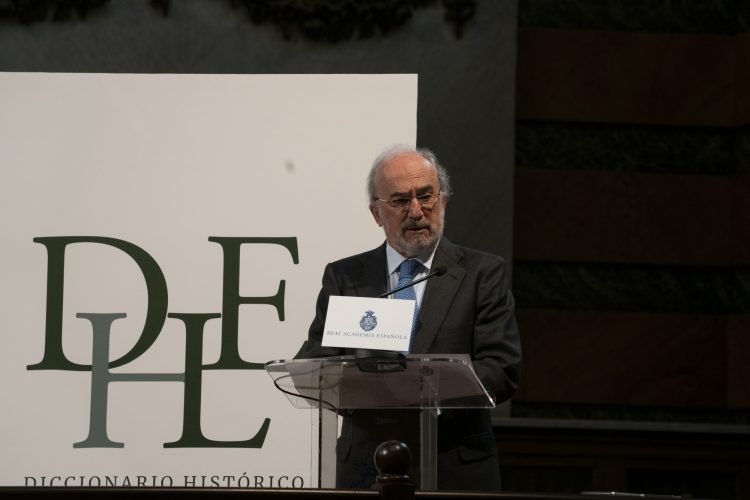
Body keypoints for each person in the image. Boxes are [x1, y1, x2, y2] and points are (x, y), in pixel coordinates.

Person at [302, 144, 521, 491]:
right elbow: (316, 363)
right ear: (376, 212)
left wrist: (423, 390)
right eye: (401, 201)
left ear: (443, 201)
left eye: (426, 196)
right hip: (365, 469)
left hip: (454, 468)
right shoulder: (346, 277)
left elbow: (501, 369)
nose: (416, 211)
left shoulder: (482, 274)